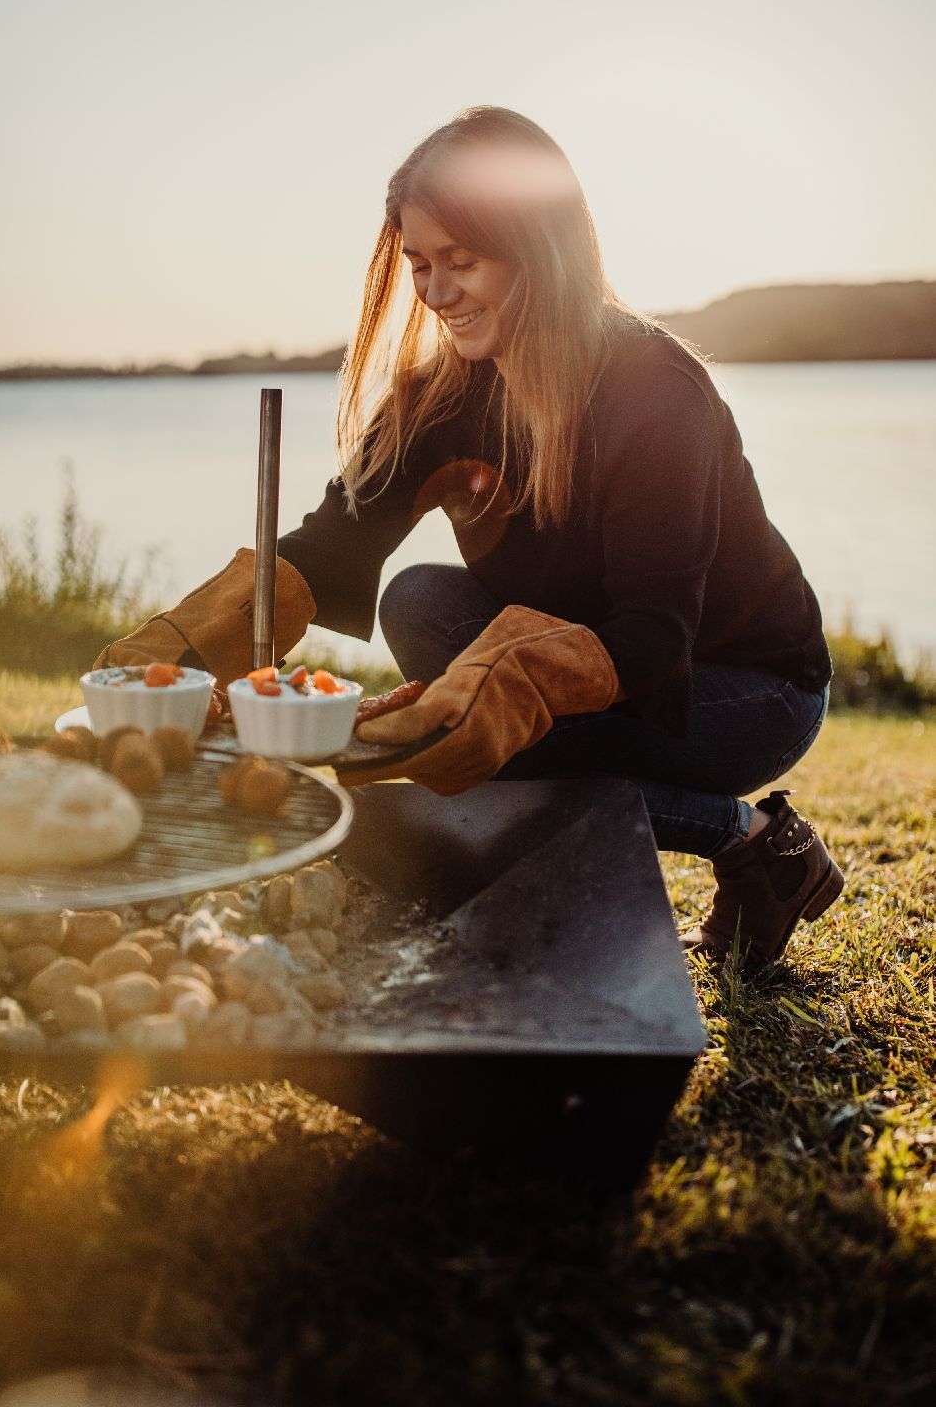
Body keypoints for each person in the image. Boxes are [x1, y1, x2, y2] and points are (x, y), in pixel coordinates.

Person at [97, 105, 843, 971]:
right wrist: (165, 673)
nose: (435, 292)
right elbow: (329, 544)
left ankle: (756, 842)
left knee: (491, 755)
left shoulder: (653, 390)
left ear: (541, 251)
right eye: (417, 264)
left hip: (739, 687)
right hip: (595, 667)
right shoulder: (443, 398)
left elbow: (651, 639)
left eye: (461, 261)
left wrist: (488, 690)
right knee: (420, 601)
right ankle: (526, 805)